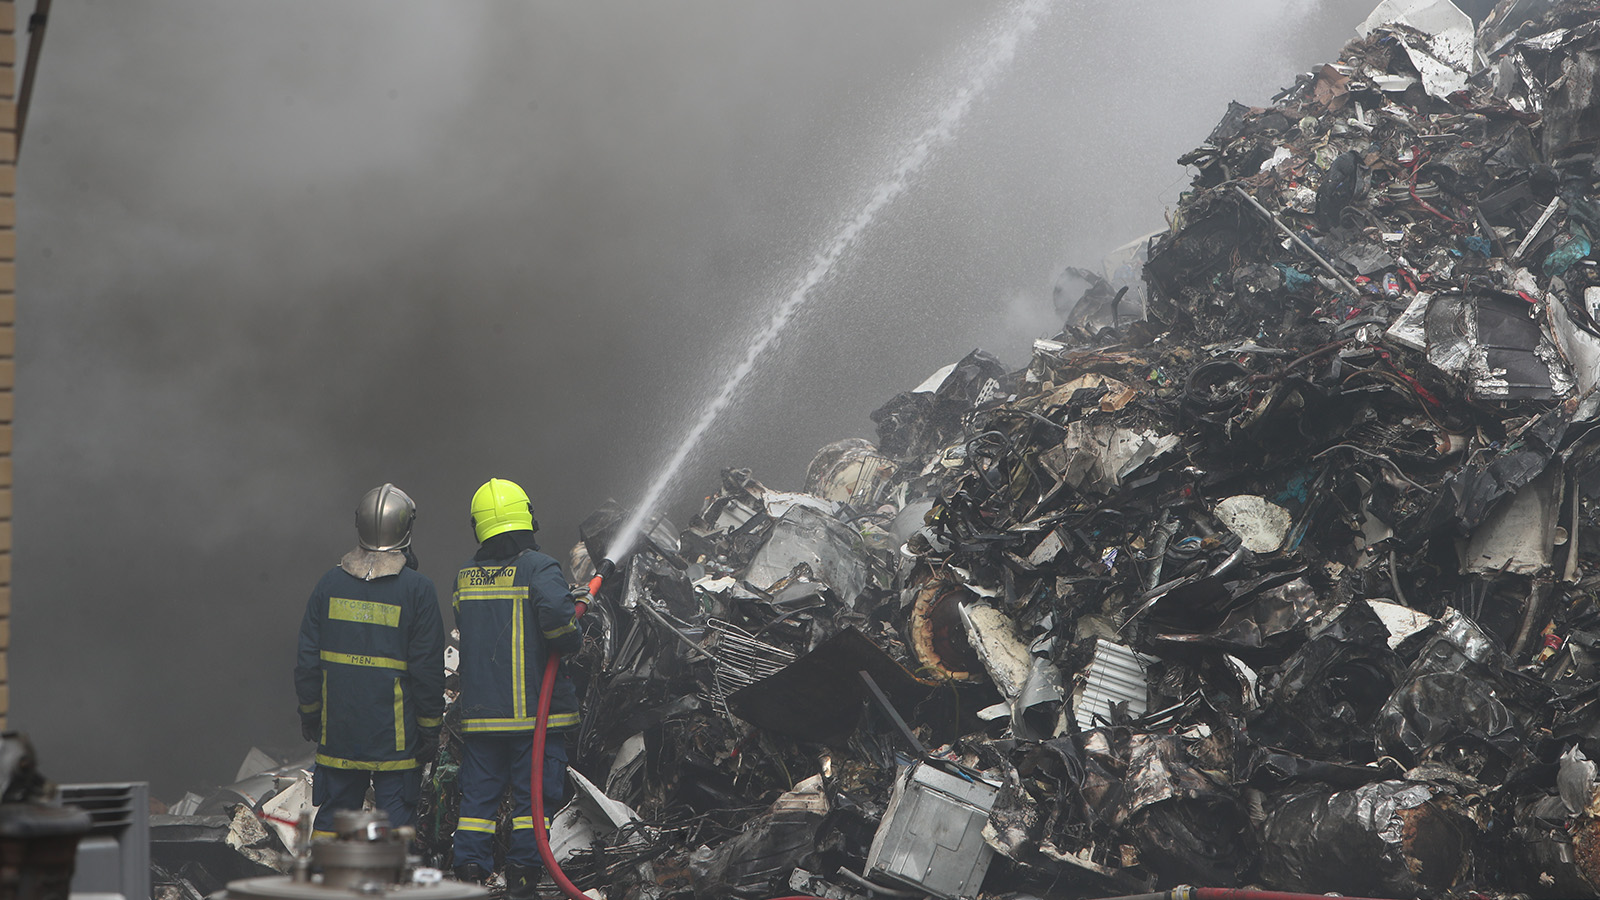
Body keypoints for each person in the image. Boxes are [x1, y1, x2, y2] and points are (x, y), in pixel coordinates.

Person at [450, 477, 582, 898]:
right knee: (533, 805)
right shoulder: (539, 568)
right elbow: (562, 629)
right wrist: (576, 617)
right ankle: (522, 883)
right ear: (524, 516)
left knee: (477, 804)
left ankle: (470, 877)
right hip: (533, 721)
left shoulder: (465, 577)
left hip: (482, 718)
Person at [294, 483, 445, 837]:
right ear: (406, 529)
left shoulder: (328, 584)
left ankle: (321, 888)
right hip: (395, 740)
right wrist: (429, 727)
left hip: (340, 735)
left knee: (334, 824)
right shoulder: (418, 590)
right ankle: (383, 889)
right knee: (391, 832)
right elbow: (426, 668)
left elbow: (307, 661)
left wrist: (311, 712)